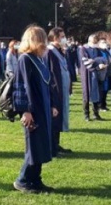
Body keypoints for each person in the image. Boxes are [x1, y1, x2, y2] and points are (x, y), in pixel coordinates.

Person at [13, 26, 58, 193]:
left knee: (41, 145)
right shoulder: (25, 59)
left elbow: (48, 85)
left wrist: (52, 104)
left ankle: (36, 180)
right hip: (33, 110)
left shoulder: (40, 59)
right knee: (33, 147)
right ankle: (23, 180)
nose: (45, 43)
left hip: (43, 109)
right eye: (43, 39)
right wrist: (24, 110)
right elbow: (20, 86)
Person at [46, 28, 72, 157]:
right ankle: (52, 147)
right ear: (55, 38)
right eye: (62, 36)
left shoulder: (60, 51)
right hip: (55, 91)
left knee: (60, 117)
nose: (64, 38)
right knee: (54, 118)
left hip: (62, 90)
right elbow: (52, 74)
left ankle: (56, 144)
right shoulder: (50, 52)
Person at [79, 34, 104, 121]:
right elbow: (86, 61)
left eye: (96, 42)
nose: (95, 44)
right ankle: (86, 115)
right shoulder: (83, 49)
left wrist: (100, 63)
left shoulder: (97, 49)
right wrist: (97, 64)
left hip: (96, 74)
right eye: (94, 42)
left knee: (96, 93)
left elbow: (102, 58)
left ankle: (96, 114)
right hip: (87, 74)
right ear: (89, 41)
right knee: (87, 93)